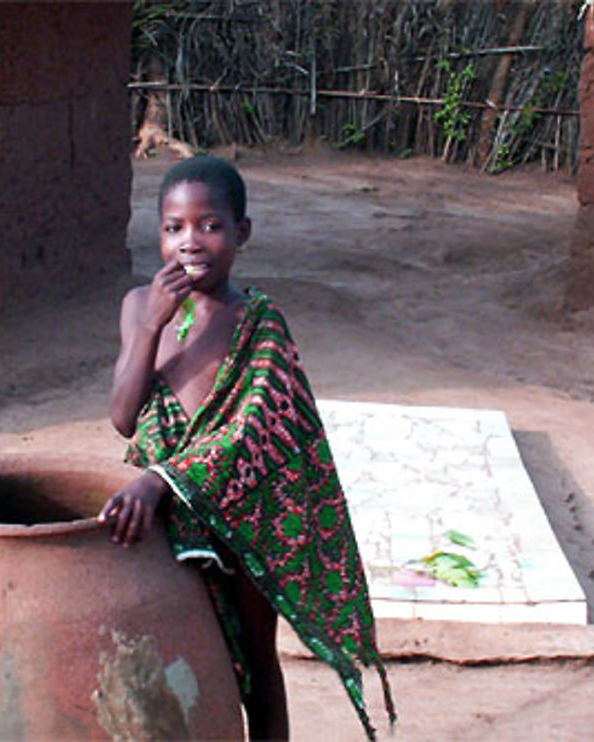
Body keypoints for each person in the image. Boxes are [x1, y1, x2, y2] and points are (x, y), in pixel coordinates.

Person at [98, 155, 395, 741]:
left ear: (242, 234)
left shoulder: (258, 323)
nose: (191, 242)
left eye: (209, 225)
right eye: (174, 227)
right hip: (166, 520)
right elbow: (122, 417)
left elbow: (253, 434)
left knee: (257, 663)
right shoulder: (139, 307)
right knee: (166, 645)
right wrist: (155, 324)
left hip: (242, 518)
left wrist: (160, 479)